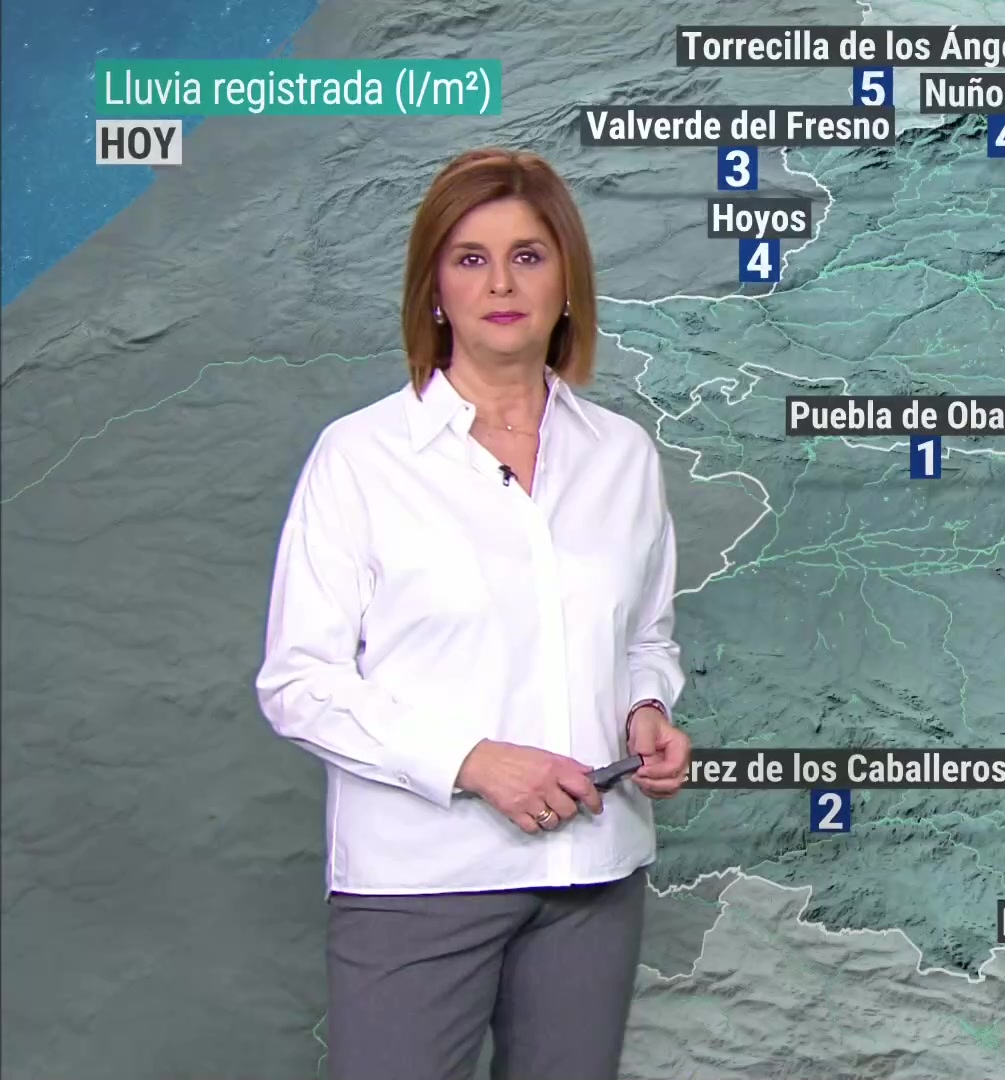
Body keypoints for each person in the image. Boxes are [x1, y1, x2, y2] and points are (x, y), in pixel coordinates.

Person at [255, 146, 693, 1080]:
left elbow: (645, 637)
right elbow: (299, 683)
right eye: (470, 258)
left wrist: (646, 709)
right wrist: (473, 761)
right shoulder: (360, 459)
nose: (501, 283)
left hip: (591, 879)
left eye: (528, 256)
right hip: (422, 881)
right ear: (434, 290)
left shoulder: (622, 456)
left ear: (567, 282)